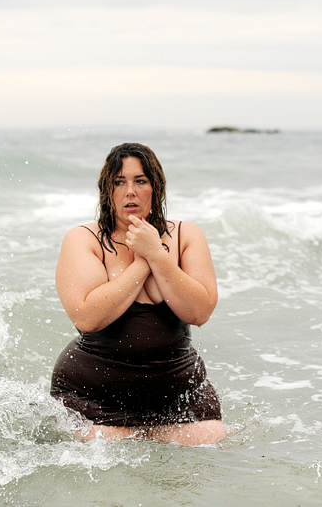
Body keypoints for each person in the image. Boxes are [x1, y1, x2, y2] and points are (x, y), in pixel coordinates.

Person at [50, 142, 226, 446]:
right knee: (100, 445)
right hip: (93, 400)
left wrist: (158, 254)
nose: (130, 191)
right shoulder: (84, 239)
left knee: (213, 436)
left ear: (156, 188)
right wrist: (144, 260)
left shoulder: (186, 236)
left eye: (140, 181)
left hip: (178, 400)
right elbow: (88, 317)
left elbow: (200, 313)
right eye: (119, 182)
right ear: (108, 191)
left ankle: (144, 436)